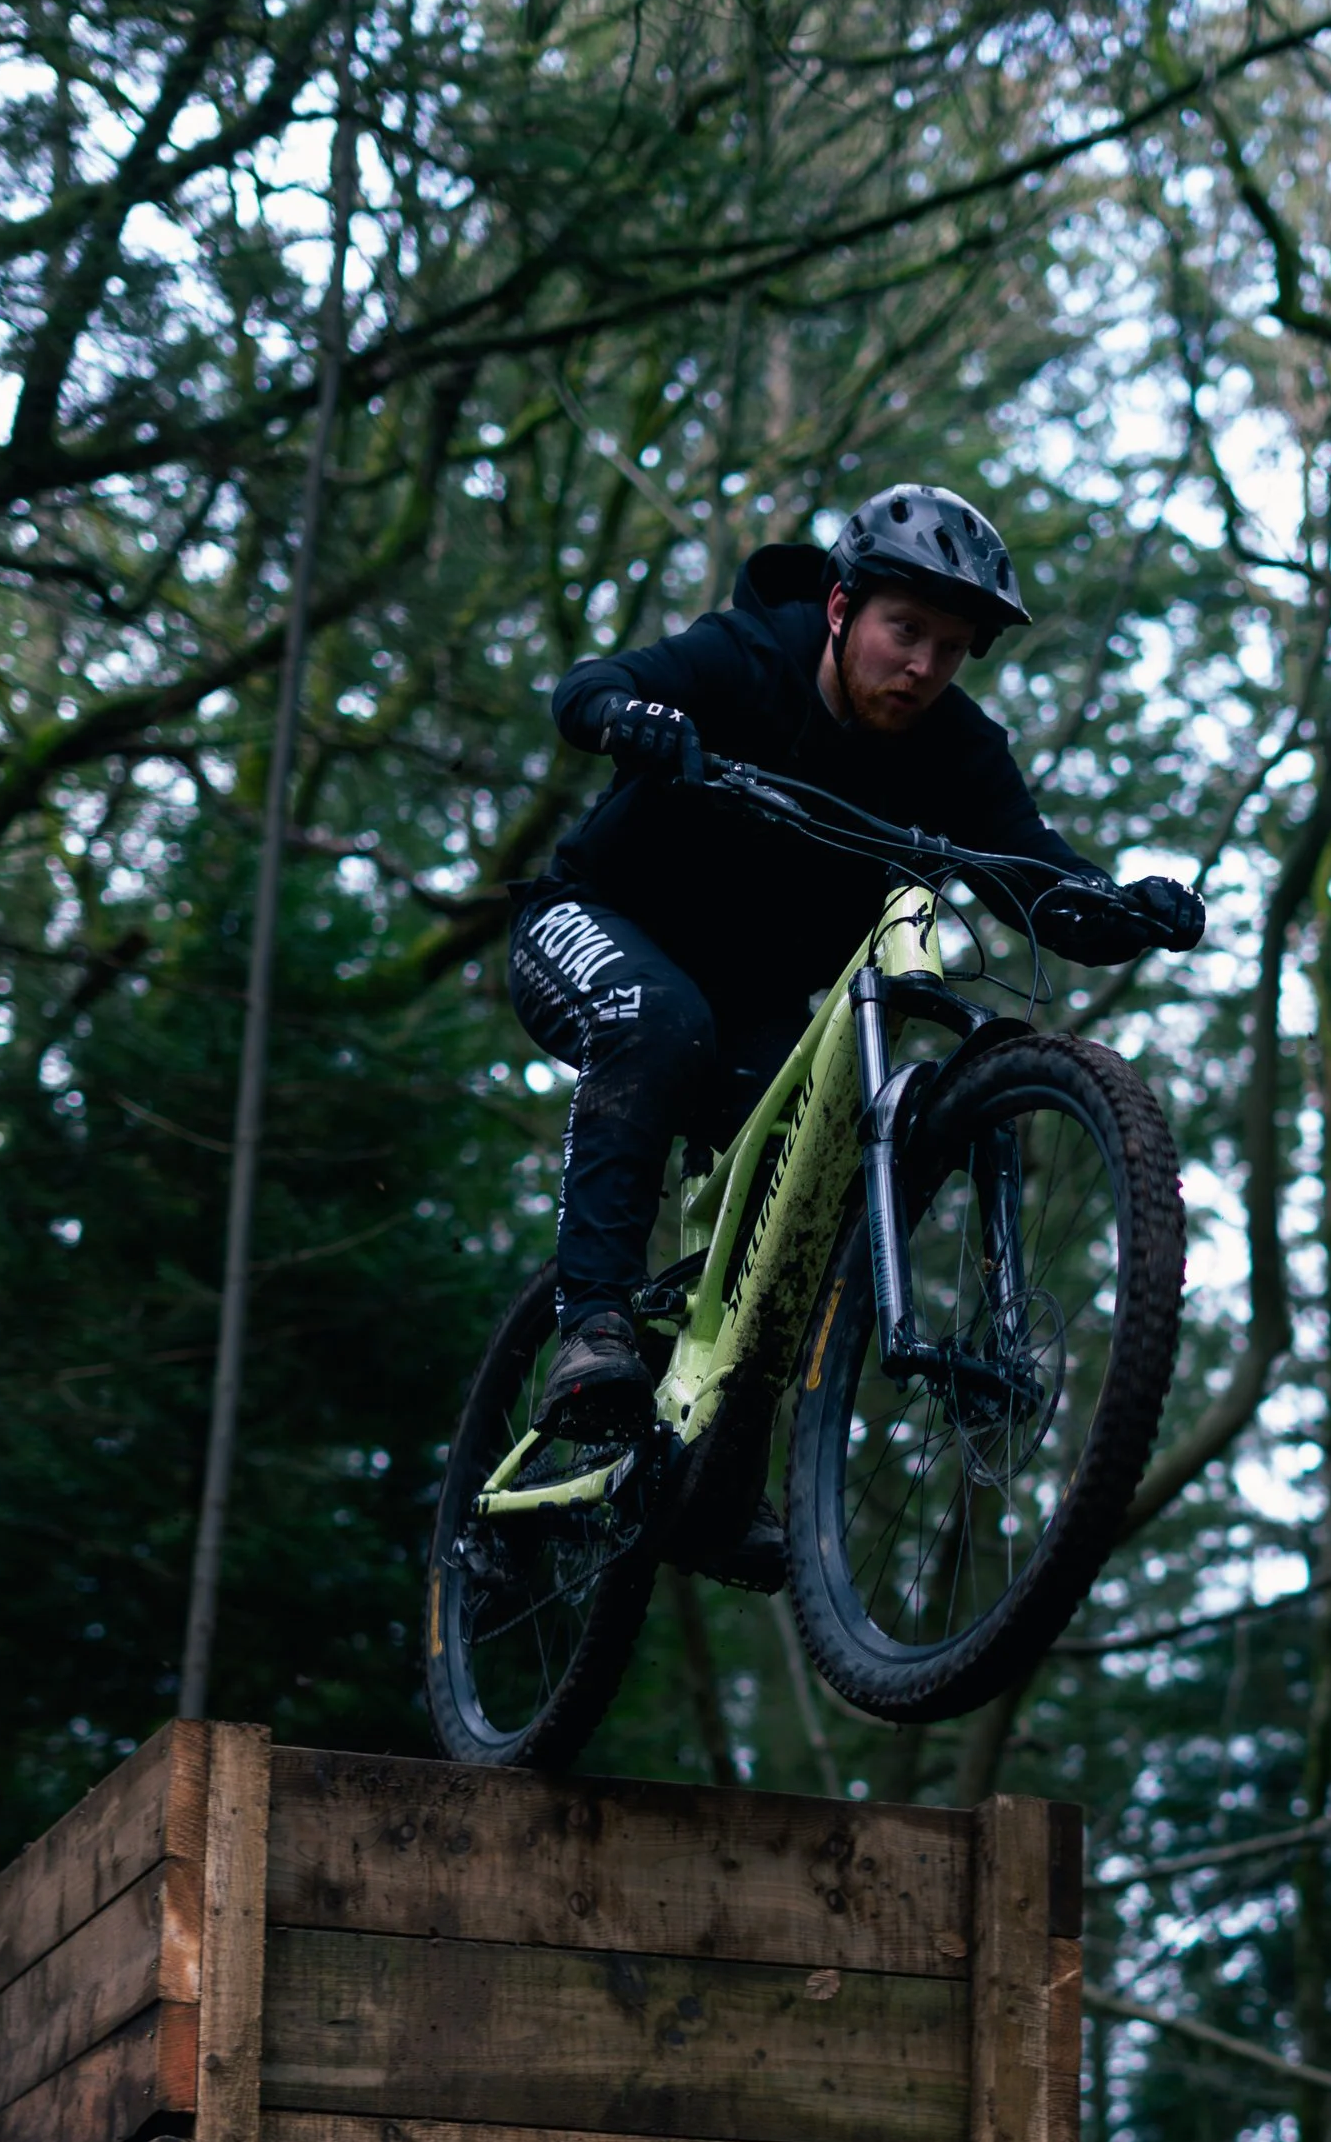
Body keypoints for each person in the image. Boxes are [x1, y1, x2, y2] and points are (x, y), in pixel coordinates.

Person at [510, 485, 1203, 1582]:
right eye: (905, 631)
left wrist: (1122, 912)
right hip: (595, 927)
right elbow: (593, 687)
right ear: (839, 609)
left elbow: (1035, 873)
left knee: (811, 1179)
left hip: (754, 1015)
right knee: (660, 1024)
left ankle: (712, 1467)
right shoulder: (747, 656)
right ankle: (591, 1327)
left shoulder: (958, 750)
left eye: (953, 647)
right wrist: (630, 720)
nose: (925, 665)